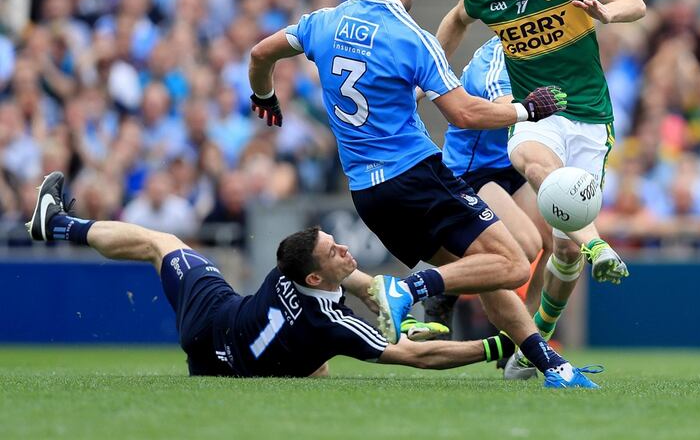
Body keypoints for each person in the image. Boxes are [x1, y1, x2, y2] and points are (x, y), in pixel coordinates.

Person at [247, 0, 600, 388]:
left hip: (367, 195)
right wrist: (525, 109)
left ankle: (551, 366)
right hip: (414, 174)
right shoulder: (411, 38)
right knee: (514, 263)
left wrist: (265, 97)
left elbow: (260, 53)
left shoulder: (321, 22)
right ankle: (406, 289)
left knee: (486, 269)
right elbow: (465, 114)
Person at [24, 171, 515, 377]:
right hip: (220, 361)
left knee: (160, 244)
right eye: (334, 251)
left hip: (212, 323)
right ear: (317, 279)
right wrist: (496, 344)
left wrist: (388, 298)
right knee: (315, 358)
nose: (345, 249)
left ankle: (63, 225)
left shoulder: (290, 271)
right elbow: (417, 357)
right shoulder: (331, 323)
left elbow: (353, 283)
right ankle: (59, 222)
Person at [435, 0, 646, 378]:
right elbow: (454, 20)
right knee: (529, 158)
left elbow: (636, 2)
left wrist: (607, 14)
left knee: (562, 250)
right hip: (539, 112)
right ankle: (597, 246)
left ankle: (541, 334)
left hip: (591, 118)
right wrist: (434, 73)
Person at [426, 37, 552, 331]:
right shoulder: (497, 58)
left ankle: (519, 339)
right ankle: (446, 287)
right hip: (473, 170)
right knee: (527, 248)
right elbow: (506, 105)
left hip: (512, 162)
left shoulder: (551, 49)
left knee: (559, 240)